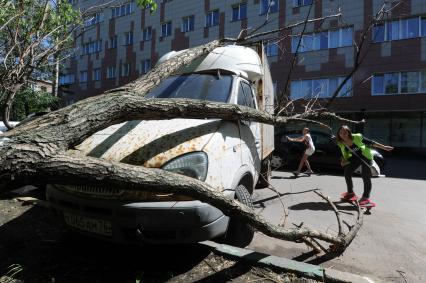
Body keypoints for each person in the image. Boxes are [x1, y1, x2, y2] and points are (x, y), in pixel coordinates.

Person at [336, 125, 393, 206]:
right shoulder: (341, 143)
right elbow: (344, 153)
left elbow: (371, 143)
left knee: (365, 176)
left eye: (345, 132)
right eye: (341, 133)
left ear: (349, 133)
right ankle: (350, 193)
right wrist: (344, 161)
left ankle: (365, 197)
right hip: (354, 158)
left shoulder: (357, 137)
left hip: (365, 157)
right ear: (338, 134)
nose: (343, 134)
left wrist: (384, 147)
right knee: (347, 173)